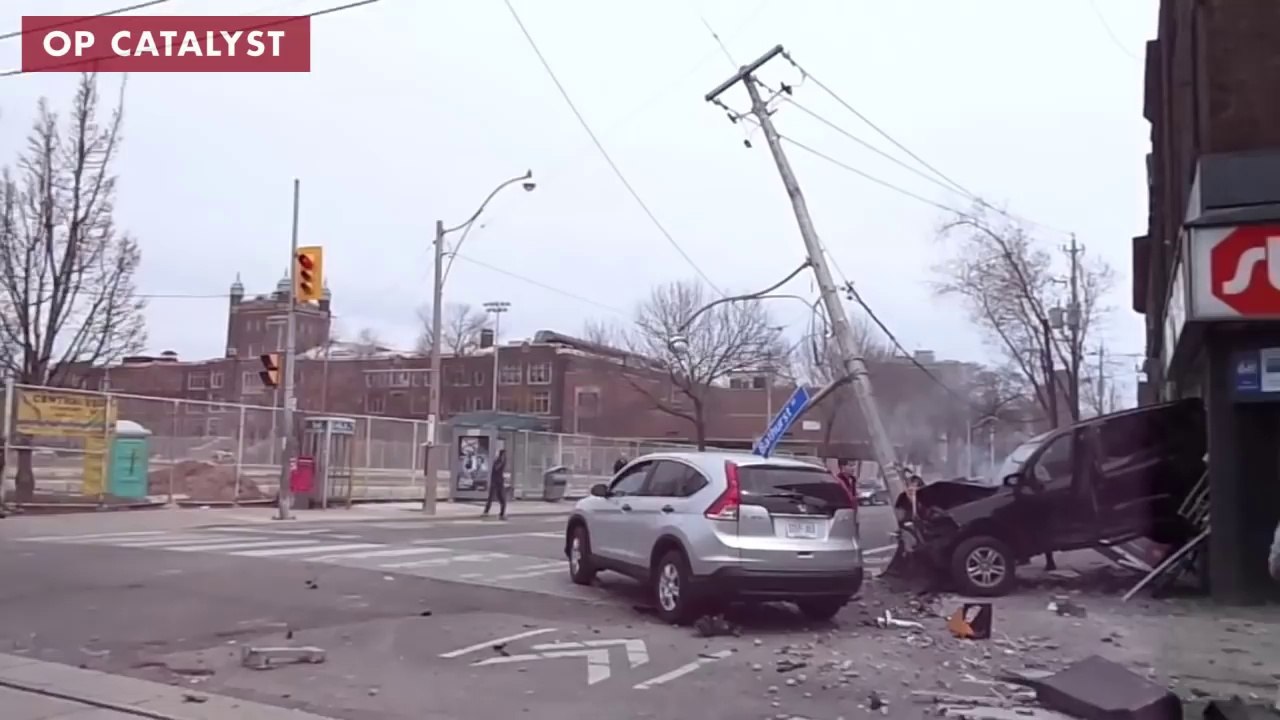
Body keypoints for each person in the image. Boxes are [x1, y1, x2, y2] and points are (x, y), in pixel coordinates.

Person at [483, 449, 508, 520]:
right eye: (504, 455)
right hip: (495, 482)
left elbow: (500, 471)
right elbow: (496, 468)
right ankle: (486, 511)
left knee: (502, 499)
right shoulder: (498, 461)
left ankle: (502, 514)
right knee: (491, 497)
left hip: (499, 482)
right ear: (501, 455)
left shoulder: (502, 461)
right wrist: (501, 462)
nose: (505, 456)